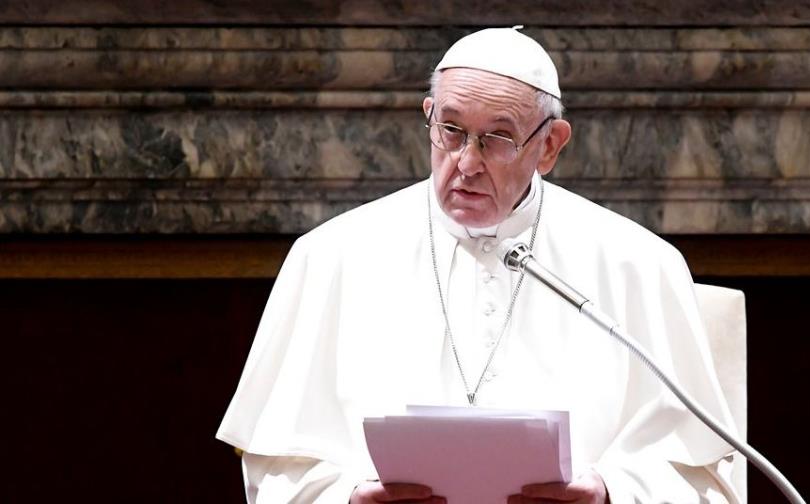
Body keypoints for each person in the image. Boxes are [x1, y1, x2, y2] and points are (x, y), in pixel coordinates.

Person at [217, 27, 740, 503]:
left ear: (550, 145)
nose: (466, 163)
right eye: (450, 130)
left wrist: (609, 495)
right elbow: (277, 471)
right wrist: (349, 499)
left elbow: (704, 482)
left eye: (497, 139)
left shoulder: (637, 265)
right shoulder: (331, 256)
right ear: (429, 116)